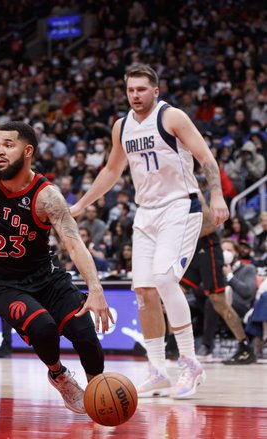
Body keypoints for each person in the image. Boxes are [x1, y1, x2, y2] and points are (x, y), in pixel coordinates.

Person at [71, 65, 230, 399]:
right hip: (146, 213)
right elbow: (112, 170)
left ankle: (190, 362)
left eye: (142, 90)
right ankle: (158, 370)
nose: (136, 95)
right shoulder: (122, 126)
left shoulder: (172, 117)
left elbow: (206, 158)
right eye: (131, 90)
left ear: (155, 91)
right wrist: (81, 205)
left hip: (179, 207)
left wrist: (216, 195)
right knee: (143, 292)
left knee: (164, 279)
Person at [0, 121, 114, 414]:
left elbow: (73, 243)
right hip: (3, 284)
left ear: (28, 150)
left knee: (85, 334)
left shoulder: (47, 196)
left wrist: (95, 289)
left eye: (9, 145)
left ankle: (101, 394)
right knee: (44, 328)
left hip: (47, 277)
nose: (0, 151)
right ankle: (59, 376)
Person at [180, 195, 256, 365]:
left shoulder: (194, 194)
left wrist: (179, 231)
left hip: (209, 249)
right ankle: (174, 346)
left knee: (217, 301)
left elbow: (210, 225)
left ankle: (245, 347)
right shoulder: (169, 196)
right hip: (192, 249)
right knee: (174, 293)